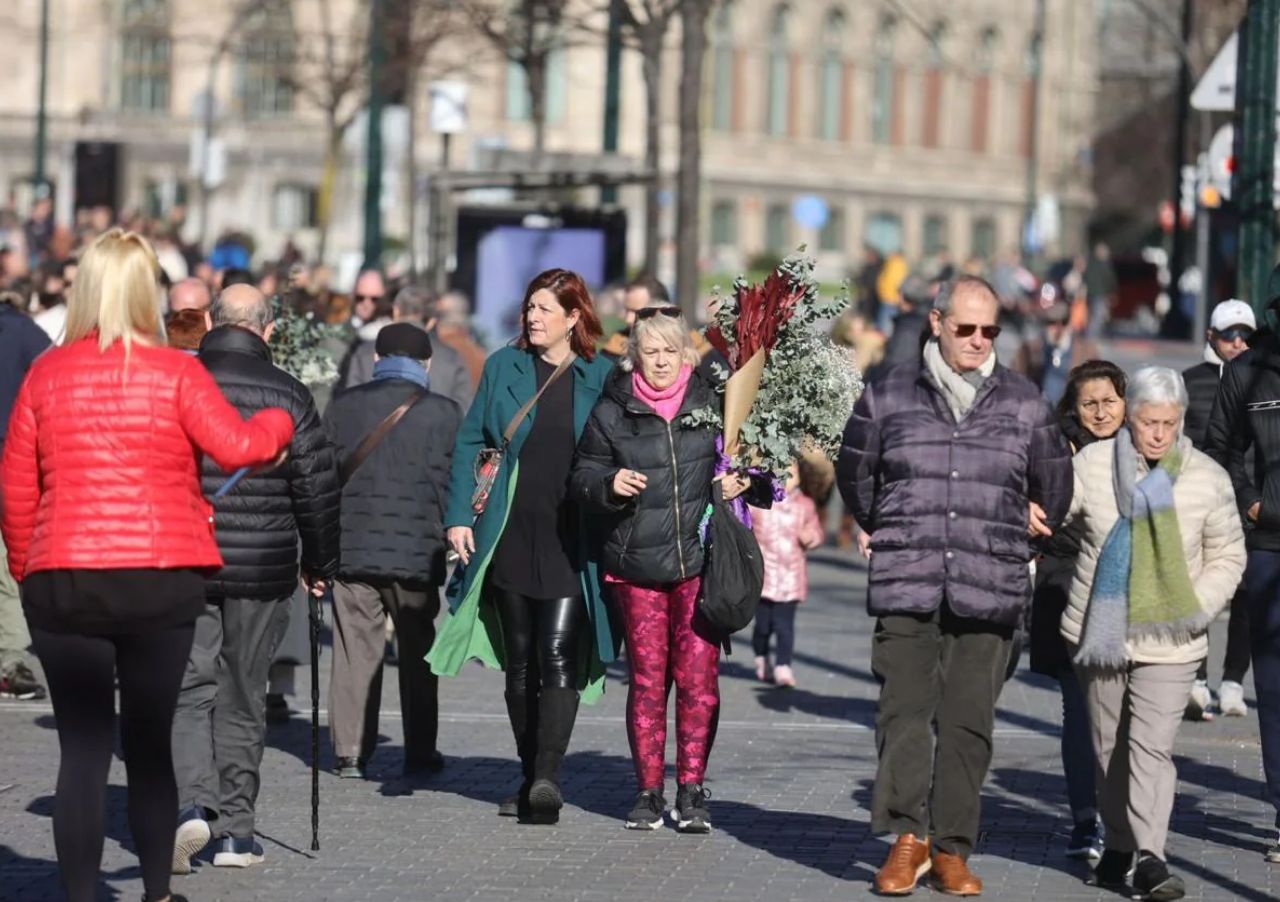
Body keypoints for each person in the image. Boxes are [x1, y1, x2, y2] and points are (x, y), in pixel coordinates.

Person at [0, 228, 294, 902]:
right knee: (151, 744)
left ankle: (79, 893)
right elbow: (239, 443)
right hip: (160, 577)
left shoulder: (47, 373)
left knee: (81, 751)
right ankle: (157, 892)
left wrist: (26, 567)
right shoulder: (176, 372)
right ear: (148, 294)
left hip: (63, 576)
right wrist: (278, 426)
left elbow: (17, 487)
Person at [837, 275, 1073, 896]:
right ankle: (907, 839)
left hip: (988, 581)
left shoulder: (1024, 401)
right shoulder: (888, 393)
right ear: (936, 322)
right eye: (965, 327)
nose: (976, 340)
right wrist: (886, 524)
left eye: (989, 330)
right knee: (903, 715)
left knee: (969, 724)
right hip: (907, 576)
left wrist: (1021, 536)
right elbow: (855, 472)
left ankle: (951, 849)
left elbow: (1055, 489)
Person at [428, 268, 618, 826]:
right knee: (520, 663)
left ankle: (546, 779)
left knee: (557, 654)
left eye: (543, 309)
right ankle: (527, 767)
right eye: (529, 308)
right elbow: (471, 443)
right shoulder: (503, 367)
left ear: (573, 317)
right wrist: (459, 517)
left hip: (571, 537)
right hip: (511, 530)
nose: (532, 317)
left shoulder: (601, 374)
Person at [571, 306, 761, 833]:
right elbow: (582, 476)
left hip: (700, 563)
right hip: (636, 566)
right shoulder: (614, 410)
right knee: (649, 682)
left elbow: (755, 466)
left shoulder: (713, 403)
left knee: (699, 682)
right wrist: (608, 485)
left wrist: (742, 481)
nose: (659, 362)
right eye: (649, 352)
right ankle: (649, 791)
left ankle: (693, 788)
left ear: (687, 355)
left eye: (669, 352)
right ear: (634, 356)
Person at [170, 285, 340, 874]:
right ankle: (237, 835)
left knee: (190, 690)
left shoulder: (177, 381)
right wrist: (321, 564)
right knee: (244, 696)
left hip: (187, 558)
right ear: (267, 331)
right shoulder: (288, 392)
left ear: (212, 322)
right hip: (263, 567)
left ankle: (191, 804)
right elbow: (317, 488)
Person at [1063, 366, 1244, 898]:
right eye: (1148, 422)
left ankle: (1149, 857)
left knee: (1150, 749)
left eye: (1169, 422)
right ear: (1130, 419)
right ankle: (1118, 841)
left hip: (1172, 638)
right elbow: (1054, 513)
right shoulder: (1092, 464)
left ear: (1182, 419)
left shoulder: (1207, 477)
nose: (1160, 433)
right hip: (1102, 632)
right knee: (1106, 749)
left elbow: (1229, 555)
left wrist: (1195, 607)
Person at [325, 323, 461, 779]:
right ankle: (420, 749)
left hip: (352, 548)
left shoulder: (343, 407)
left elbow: (322, 481)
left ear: (378, 360)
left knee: (353, 649)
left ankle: (349, 751)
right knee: (418, 651)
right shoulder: (444, 412)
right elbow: (452, 484)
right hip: (418, 553)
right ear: (426, 364)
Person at [1028, 360, 1127, 863]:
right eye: (1089, 403)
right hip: (1066, 587)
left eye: (1109, 401)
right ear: (1073, 407)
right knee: (1079, 711)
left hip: (1130, 595)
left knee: (1125, 714)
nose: (1100, 412)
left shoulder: (1142, 451)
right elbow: (1041, 516)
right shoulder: (1056, 450)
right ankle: (1085, 819)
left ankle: (1123, 818)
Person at [1206, 289, 1280, 864]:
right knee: (1275, 687)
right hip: (1268, 545)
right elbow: (1220, 450)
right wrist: (1252, 502)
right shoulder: (1246, 373)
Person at [1182, 298, 1255, 720]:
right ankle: (1194, 679)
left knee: (1246, 596)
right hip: (1201, 502)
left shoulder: (1262, 381)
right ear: (1212, 336)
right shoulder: (1191, 381)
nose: (1239, 342)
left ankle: (1232, 682)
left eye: (1246, 334)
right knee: (1202, 591)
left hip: (1248, 503)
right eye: (1230, 334)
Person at [0, 290, 51, 700]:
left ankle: (11, 658)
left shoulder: (20, 329)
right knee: (6, 566)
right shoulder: (24, 330)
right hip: (12, 456)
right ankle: (10, 658)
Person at [750, 461, 825, 688]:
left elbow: (816, 531)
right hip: (764, 575)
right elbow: (744, 526)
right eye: (780, 473)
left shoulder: (805, 505)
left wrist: (811, 537)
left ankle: (784, 665)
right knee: (763, 626)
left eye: (791, 474)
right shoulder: (760, 502)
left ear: (801, 477)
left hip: (791, 575)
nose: (786, 478)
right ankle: (762, 657)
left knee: (784, 626)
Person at [340, 285, 475, 411]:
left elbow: (352, 404)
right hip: (435, 434)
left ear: (396, 311)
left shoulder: (366, 352)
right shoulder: (452, 359)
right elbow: (461, 412)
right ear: (432, 321)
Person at [1014, 299, 1101, 407]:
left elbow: (1100, 386)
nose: (1058, 329)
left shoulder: (1086, 350)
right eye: (1052, 323)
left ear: (1069, 323)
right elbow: (1014, 380)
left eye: (1063, 322)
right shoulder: (1031, 349)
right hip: (1038, 413)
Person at [1083, 242, 1118, 339]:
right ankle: (1092, 336)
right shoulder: (1104, 265)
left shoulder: (1090, 264)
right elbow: (1110, 280)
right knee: (1097, 316)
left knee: (1093, 315)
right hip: (1100, 294)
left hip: (1091, 294)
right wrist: (1112, 292)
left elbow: (1085, 278)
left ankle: (1092, 335)